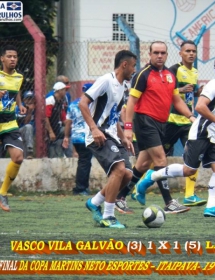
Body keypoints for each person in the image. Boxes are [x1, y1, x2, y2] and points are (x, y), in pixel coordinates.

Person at [138, 51, 215, 218]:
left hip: (213, 136)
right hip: (200, 134)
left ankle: (211, 207)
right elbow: (199, 107)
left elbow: (214, 112)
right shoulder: (214, 85)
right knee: (188, 171)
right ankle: (152, 175)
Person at [123, 41, 195, 214]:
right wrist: (127, 126)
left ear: (167, 55)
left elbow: (176, 100)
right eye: (156, 52)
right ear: (150, 54)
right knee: (161, 160)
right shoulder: (142, 75)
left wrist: (191, 116)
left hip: (161, 123)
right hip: (145, 122)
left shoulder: (171, 75)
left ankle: (119, 197)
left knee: (143, 164)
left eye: (162, 53)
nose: (159, 56)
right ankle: (169, 202)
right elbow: (131, 102)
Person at [79, 50, 137, 228]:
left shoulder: (123, 87)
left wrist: (124, 138)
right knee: (119, 170)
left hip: (111, 134)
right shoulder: (106, 80)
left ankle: (94, 202)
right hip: (99, 135)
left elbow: (113, 118)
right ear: (124, 65)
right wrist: (94, 128)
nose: (135, 70)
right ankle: (108, 216)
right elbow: (83, 103)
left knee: (127, 174)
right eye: (134, 66)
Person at [164, 40, 205, 207]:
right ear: (180, 53)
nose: (191, 54)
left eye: (194, 51)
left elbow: (190, 94)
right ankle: (140, 186)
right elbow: (165, 89)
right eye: (187, 51)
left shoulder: (194, 71)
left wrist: (198, 92)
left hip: (189, 121)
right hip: (172, 120)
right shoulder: (174, 70)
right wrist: (180, 90)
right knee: (158, 156)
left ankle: (189, 194)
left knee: (193, 154)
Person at [0, 45, 26, 211]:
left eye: (15, 56)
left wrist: (20, 104)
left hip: (9, 121)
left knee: (18, 157)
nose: (12, 59)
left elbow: (16, 91)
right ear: (2, 58)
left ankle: (2, 194)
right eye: (9, 56)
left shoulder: (19, 77)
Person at [62, 83, 93, 195]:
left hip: (76, 137)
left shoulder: (74, 104)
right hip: (86, 136)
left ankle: (83, 186)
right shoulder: (90, 104)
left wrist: (66, 136)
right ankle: (80, 188)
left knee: (84, 161)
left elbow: (68, 122)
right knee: (85, 161)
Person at [45, 81, 70, 158]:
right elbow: (46, 117)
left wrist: (70, 124)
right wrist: (50, 132)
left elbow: (63, 118)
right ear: (59, 91)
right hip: (49, 130)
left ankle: (69, 155)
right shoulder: (50, 100)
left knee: (69, 133)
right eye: (64, 90)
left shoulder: (60, 102)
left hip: (57, 128)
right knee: (52, 152)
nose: (65, 92)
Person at [16, 90, 35, 159]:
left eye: (31, 98)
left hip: (33, 134)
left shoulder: (37, 108)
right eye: (28, 98)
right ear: (24, 100)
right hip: (20, 132)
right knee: (28, 126)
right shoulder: (19, 108)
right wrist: (29, 111)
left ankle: (27, 155)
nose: (30, 101)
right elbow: (25, 123)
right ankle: (29, 151)